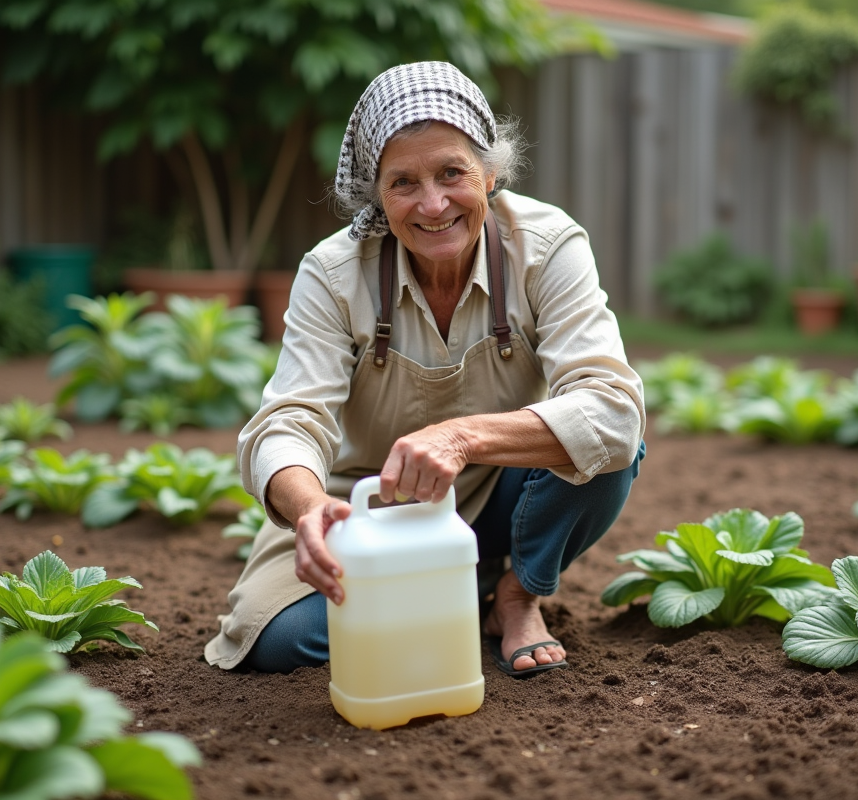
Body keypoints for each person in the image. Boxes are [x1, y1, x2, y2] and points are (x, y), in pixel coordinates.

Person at [204, 61, 645, 678]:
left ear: (490, 175)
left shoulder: (546, 245)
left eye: (452, 173)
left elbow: (613, 410)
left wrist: (461, 436)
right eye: (403, 182)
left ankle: (516, 596)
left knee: (604, 447)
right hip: (365, 513)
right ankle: (455, 592)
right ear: (376, 197)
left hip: (500, 492)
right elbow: (287, 421)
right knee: (279, 639)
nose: (433, 204)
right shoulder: (334, 272)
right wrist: (309, 510)